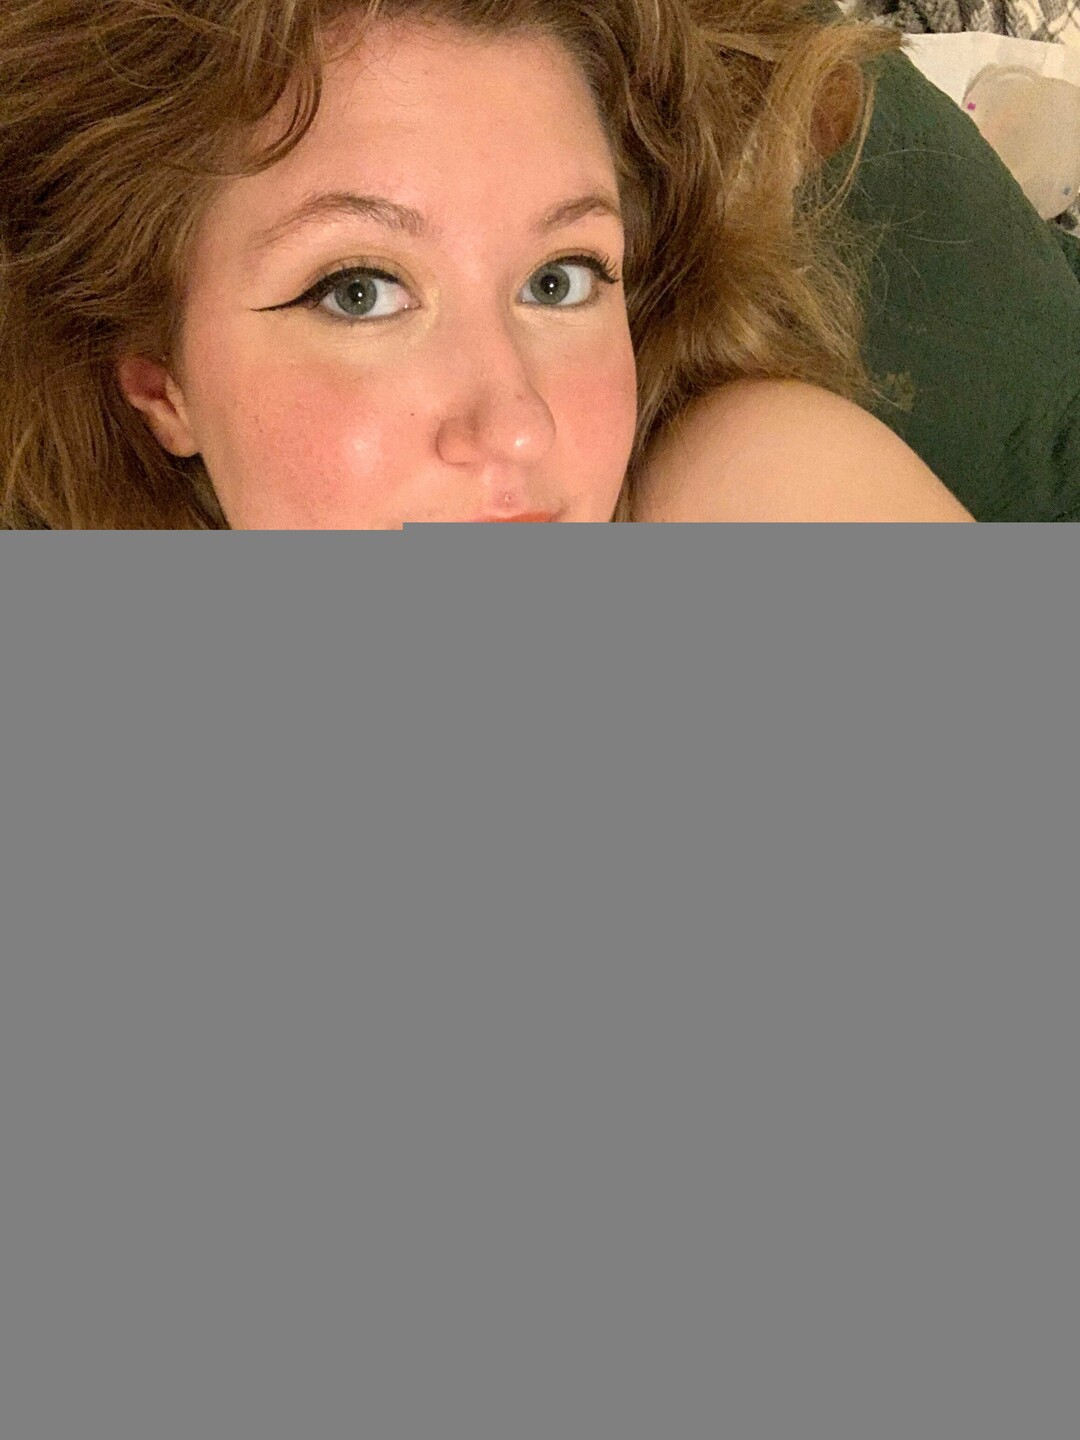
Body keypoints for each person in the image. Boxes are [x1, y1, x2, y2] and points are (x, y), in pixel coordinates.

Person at [0, 0, 971, 527]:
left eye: (560, 279)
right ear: (161, 385)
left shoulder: (753, 486)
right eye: (359, 292)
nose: (515, 424)